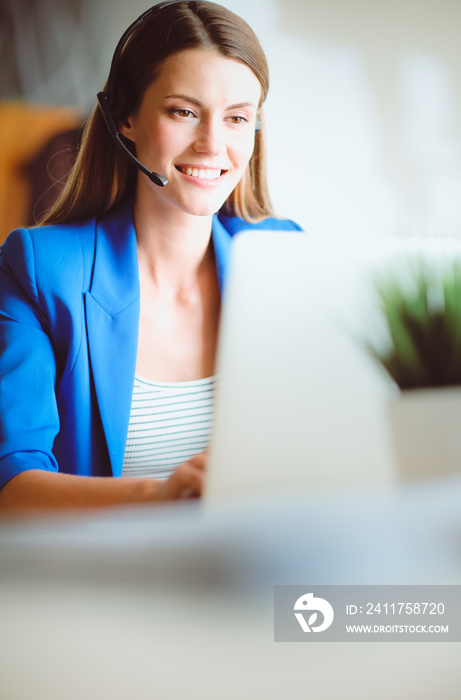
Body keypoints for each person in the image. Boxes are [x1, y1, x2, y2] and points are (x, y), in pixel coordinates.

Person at [0, 0, 301, 511]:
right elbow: (11, 485)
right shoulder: (40, 268)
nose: (212, 144)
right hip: (107, 581)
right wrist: (161, 495)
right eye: (184, 112)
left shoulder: (285, 258)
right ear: (127, 118)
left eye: (236, 119)